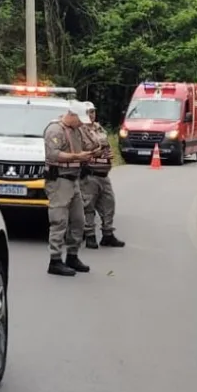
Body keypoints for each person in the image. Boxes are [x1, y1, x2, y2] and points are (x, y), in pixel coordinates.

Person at [43, 105, 94, 276]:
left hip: (74, 180)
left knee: (78, 220)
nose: (81, 124)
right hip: (59, 181)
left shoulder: (77, 130)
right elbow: (53, 154)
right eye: (79, 120)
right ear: (71, 115)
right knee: (59, 221)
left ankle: (72, 255)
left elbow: (91, 144)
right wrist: (76, 157)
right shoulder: (55, 130)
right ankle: (55, 260)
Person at [78, 101, 125, 250]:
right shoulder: (79, 130)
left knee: (109, 204)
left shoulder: (99, 128)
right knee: (88, 205)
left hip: (104, 173)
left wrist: (110, 154)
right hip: (89, 174)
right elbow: (79, 152)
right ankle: (90, 236)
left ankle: (108, 234)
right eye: (88, 112)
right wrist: (94, 153)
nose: (91, 115)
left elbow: (106, 145)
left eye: (92, 112)